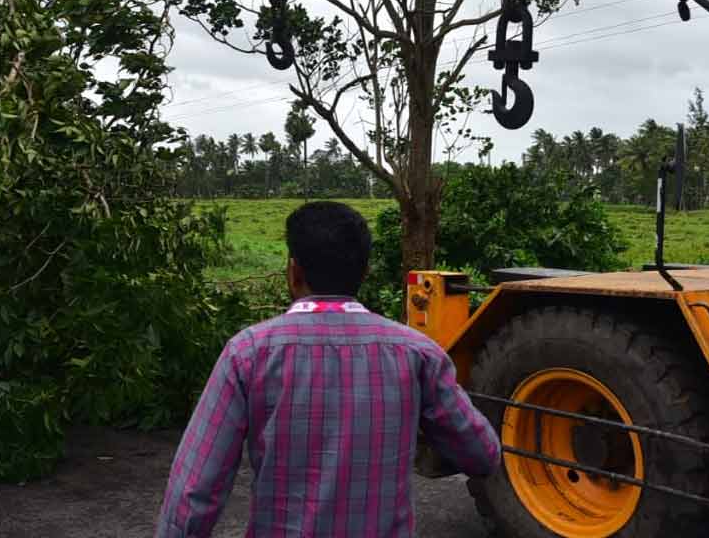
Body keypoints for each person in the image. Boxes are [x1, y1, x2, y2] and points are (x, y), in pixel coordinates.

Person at [155, 201, 500, 537]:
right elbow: (482, 454)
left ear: (294, 272)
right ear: (364, 273)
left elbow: (194, 491)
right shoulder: (419, 353)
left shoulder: (248, 353)